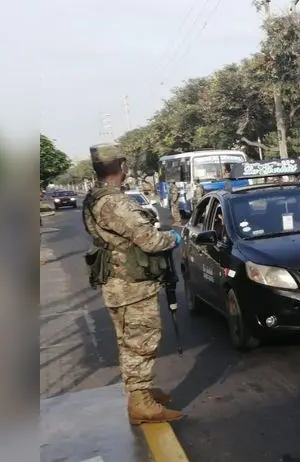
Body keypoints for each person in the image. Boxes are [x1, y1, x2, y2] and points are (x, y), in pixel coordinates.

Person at [81, 143, 185, 424]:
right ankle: (141, 403)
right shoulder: (115, 202)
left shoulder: (94, 197)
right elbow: (150, 241)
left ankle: (141, 392)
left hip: (118, 282)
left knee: (129, 342)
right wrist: (173, 239)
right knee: (142, 342)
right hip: (131, 286)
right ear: (123, 166)